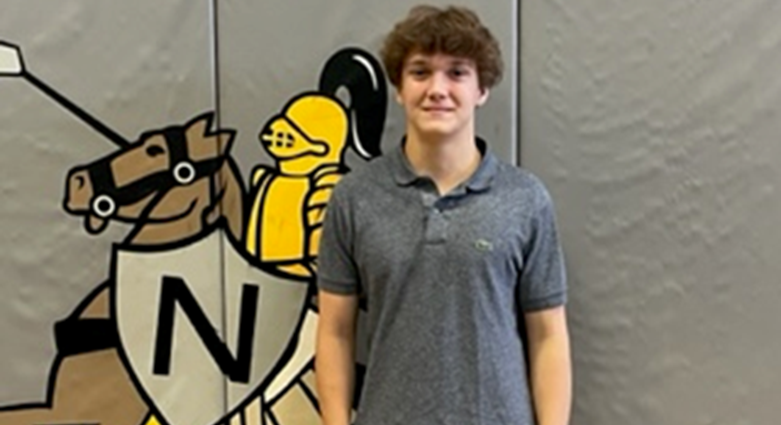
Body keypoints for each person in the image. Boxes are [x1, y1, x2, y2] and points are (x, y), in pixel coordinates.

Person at [315, 5, 571, 425]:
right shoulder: (354, 198)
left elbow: (548, 336)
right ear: (399, 88)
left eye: (456, 73)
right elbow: (335, 332)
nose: (437, 89)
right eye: (420, 72)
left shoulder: (526, 200)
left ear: (481, 89)